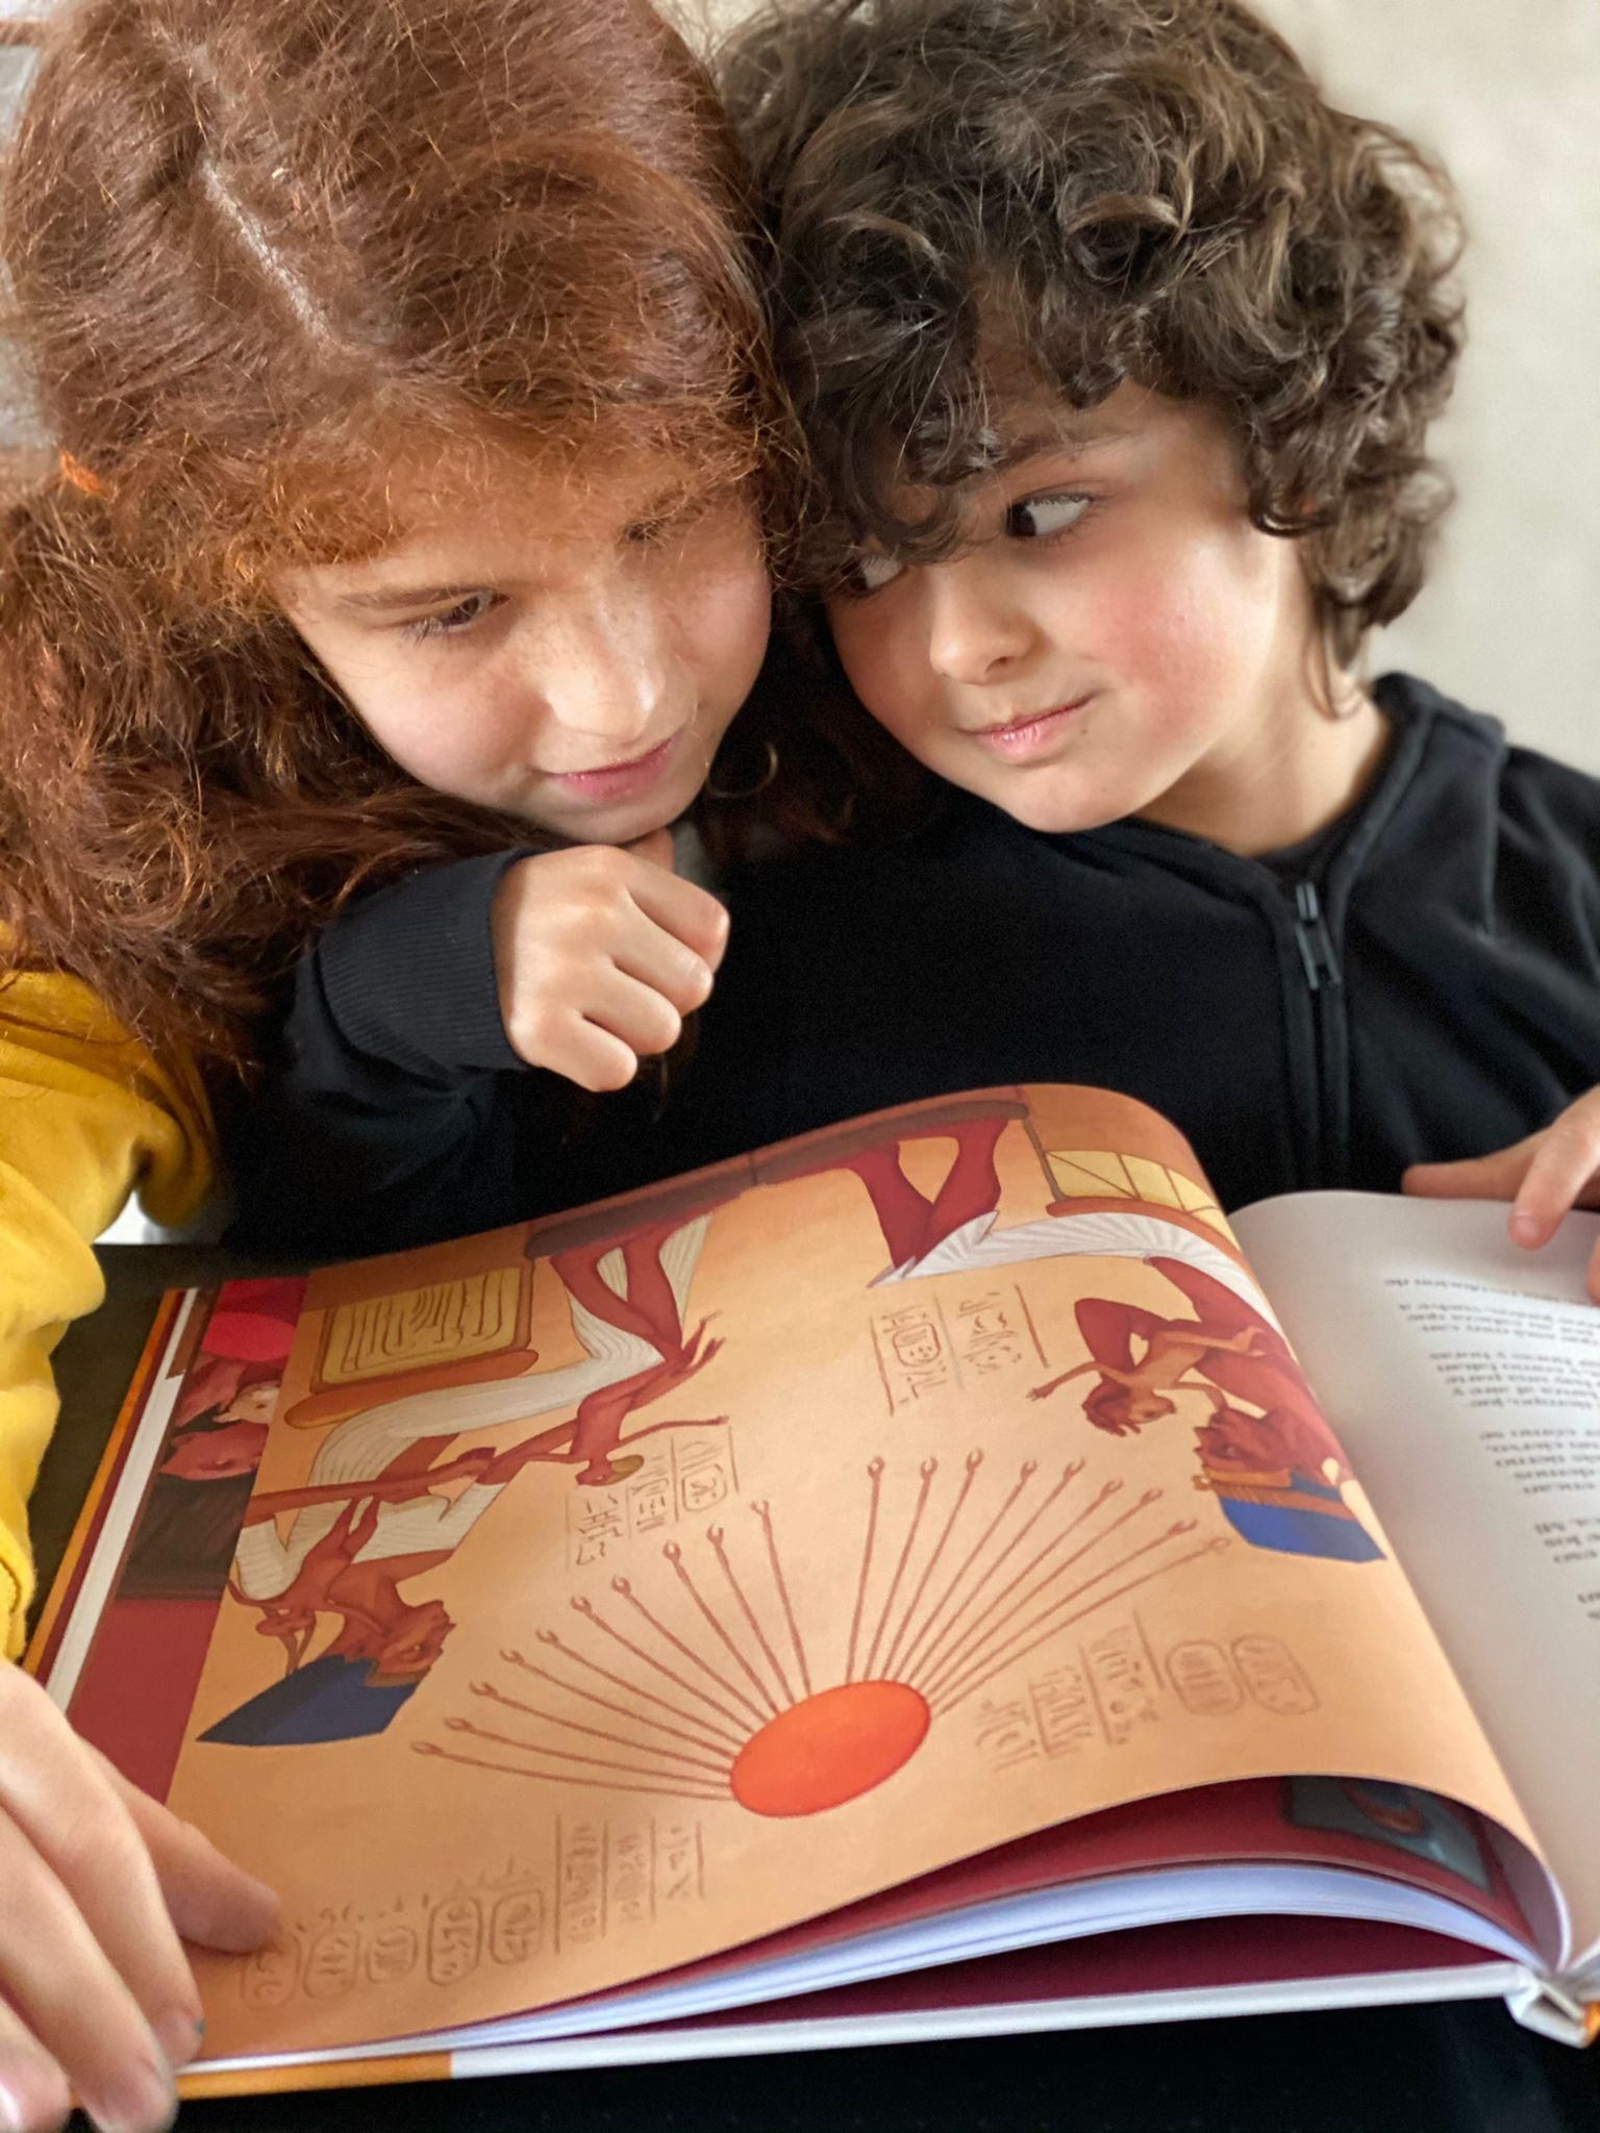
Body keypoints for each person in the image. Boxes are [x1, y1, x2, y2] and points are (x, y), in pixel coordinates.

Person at [0, 0, 797, 2119]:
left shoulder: (895, 543)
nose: (623, 689)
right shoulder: (72, 784)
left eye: (684, 509)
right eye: (450, 611)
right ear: (188, 546)